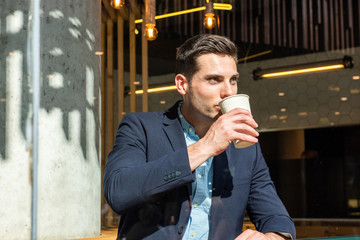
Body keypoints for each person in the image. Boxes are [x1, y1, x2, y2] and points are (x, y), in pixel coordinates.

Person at [103, 34, 296, 240]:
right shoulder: (141, 127)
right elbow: (118, 192)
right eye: (214, 80)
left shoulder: (245, 146)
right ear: (182, 85)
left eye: (233, 80)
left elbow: (276, 217)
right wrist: (205, 147)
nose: (228, 92)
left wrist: (273, 237)